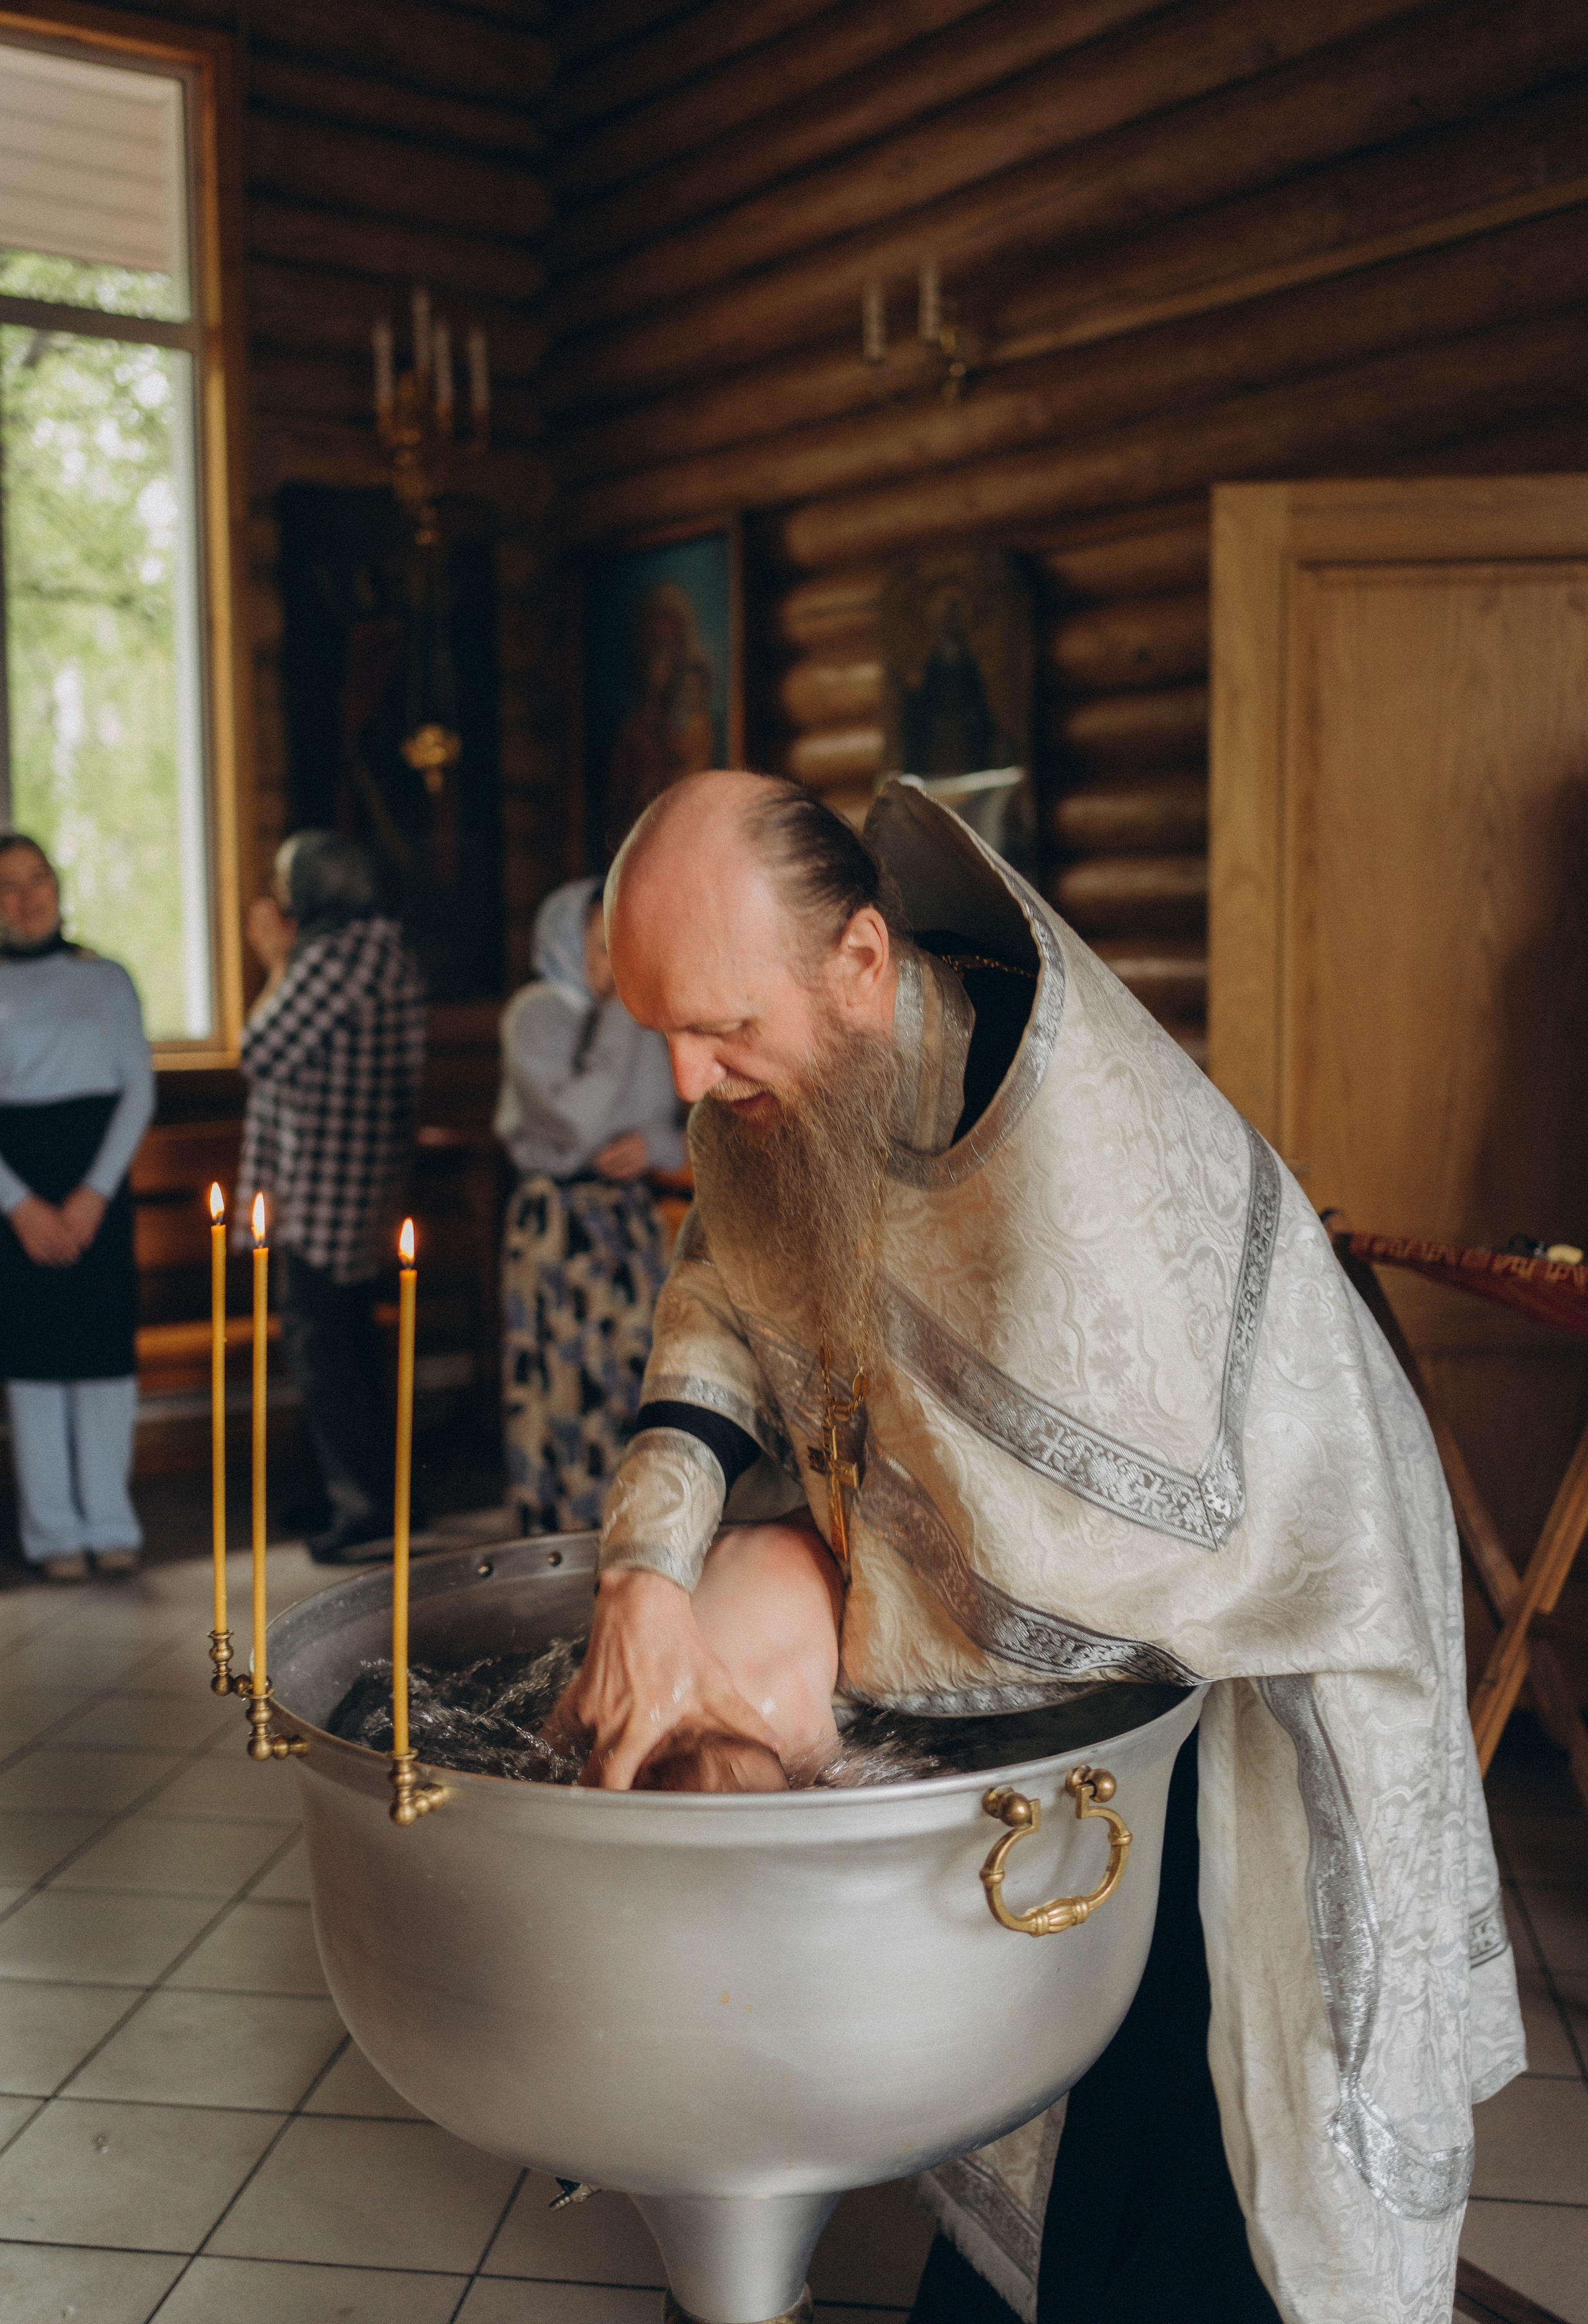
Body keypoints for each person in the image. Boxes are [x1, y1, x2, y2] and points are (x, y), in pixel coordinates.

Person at [550, 771, 1525, 2324]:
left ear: (859, 963)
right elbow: (723, 1295)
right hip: (1054, 1691)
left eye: (718, 1025)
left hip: (1255, 1655)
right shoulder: (797, 1081)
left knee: (1213, 2111)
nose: (682, 1072)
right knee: (1047, 2069)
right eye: (657, 1026)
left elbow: (1105, 1569)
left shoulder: (1082, 1159)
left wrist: (780, 1649)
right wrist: (646, 1566)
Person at [240, 831, 425, 1563]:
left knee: (323, 1351)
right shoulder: (386, 948)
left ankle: (366, 1509)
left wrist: (275, 961)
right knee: (348, 1347)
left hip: (324, 1187)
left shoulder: (333, 956)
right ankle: (357, 1491)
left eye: (288, 884)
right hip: (361, 1181)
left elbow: (258, 1050)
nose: (281, 899)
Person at [496, 876, 685, 1539]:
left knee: (633, 1377)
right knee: (561, 1388)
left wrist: (653, 1142)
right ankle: (560, 1543)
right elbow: (575, 1125)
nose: (612, 958)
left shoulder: (638, 1018)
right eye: (598, 943)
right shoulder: (535, 1014)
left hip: (627, 1223)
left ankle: (633, 1533)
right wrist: (618, 1013)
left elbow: (677, 1117)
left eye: (620, 942)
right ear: (561, 939)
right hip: (559, 1224)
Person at [0, 834, 153, 1581]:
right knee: (33, 1364)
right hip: (15, 1189)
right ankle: (54, 1532)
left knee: (100, 1360)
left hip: (96, 1184)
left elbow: (139, 1090)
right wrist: (21, 1207)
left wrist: (95, 1193)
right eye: (7, 886)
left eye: (38, 880)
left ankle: (108, 1519)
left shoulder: (109, 978)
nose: (26, 898)